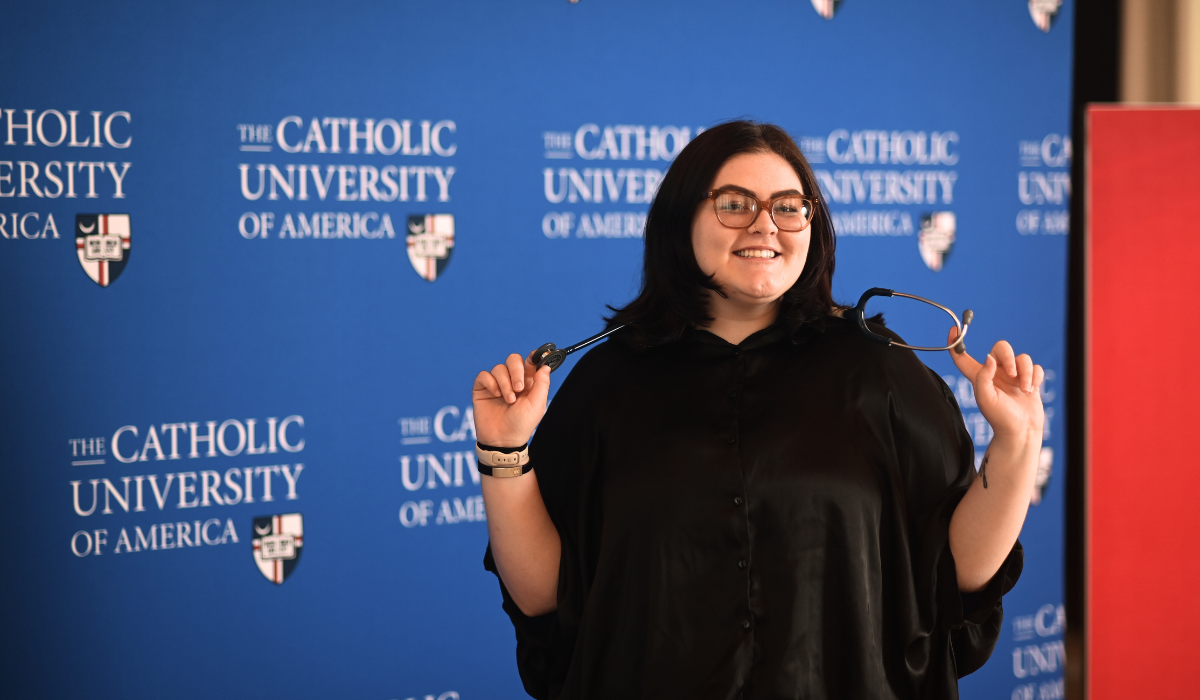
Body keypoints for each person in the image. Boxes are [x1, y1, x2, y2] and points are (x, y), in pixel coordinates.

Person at [472, 121, 1043, 700]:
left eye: (789, 207)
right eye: (735, 204)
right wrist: (503, 450)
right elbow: (546, 598)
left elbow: (958, 576)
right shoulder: (606, 382)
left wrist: (1017, 442)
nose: (765, 224)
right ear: (681, 218)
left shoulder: (881, 369)